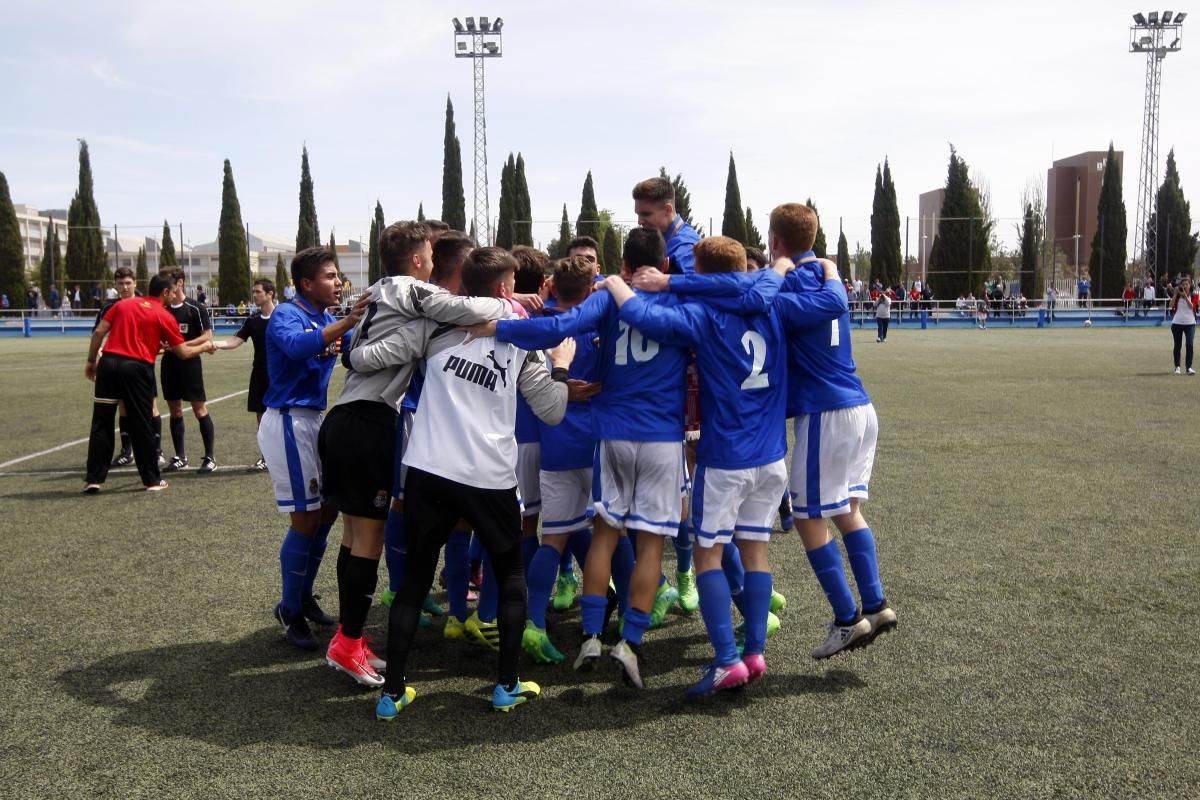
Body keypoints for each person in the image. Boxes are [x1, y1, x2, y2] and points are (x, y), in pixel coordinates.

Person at [479, 228, 781, 688]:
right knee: (650, 544)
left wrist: (496, 326)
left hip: (611, 434)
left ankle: (593, 636)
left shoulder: (606, 297)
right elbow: (741, 293)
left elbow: (557, 326)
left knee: (603, 535)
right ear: (666, 263)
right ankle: (631, 642)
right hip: (662, 439)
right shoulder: (686, 304)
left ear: (622, 265)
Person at [608, 236, 848, 697]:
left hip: (724, 457)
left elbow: (641, 316)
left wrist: (615, 284)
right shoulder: (777, 305)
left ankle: (725, 661)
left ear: (701, 270)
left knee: (706, 555)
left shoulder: (703, 315)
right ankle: (754, 652)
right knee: (756, 551)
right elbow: (829, 304)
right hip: (771, 455)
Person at [372, 247, 575, 718]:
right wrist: (561, 363)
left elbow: (377, 357)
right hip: (488, 475)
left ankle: (393, 692)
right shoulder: (524, 341)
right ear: (506, 289)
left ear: (464, 281)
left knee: (415, 582)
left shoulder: (440, 327)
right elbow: (553, 409)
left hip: (428, 469)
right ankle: (505, 684)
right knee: (509, 575)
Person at [319, 221, 509, 688]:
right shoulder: (410, 293)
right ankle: (347, 644)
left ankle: (351, 639)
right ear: (420, 260)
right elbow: (463, 307)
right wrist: (507, 304)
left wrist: (356, 354)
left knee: (353, 537)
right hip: (366, 422)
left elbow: (358, 351)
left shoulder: (382, 291)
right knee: (368, 540)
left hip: (347, 420)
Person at [258, 246, 369, 651]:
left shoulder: (325, 317)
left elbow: (356, 338)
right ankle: (289, 609)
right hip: (288, 420)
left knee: (326, 512)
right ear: (306, 284)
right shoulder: (288, 314)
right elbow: (296, 347)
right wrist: (345, 324)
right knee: (305, 521)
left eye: (338, 276)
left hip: (311, 420)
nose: (338, 282)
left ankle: (302, 596)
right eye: (330, 276)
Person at [521, 255, 602, 664]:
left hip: (553, 440)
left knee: (552, 537)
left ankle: (534, 622)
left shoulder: (539, 326)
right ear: (591, 288)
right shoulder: (599, 321)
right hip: (598, 442)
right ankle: (608, 622)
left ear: (552, 286)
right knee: (609, 533)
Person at [83, 274, 214, 493]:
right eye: (173, 292)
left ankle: (94, 479)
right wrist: (205, 346)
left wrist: (90, 361)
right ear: (164, 293)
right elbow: (183, 352)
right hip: (136, 368)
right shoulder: (163, 315)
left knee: (101, 422)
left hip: (108, 364)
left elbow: (98, 332)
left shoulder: (123, 306)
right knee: (141, 423)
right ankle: (152, 480)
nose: (174, 296)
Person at [98, 267, 164, 467]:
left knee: (150, 406)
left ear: (135, 283)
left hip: (141, 365)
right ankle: (127, 451)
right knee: (123, 407)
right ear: (115, 285)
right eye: (120, 284)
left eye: (128, 283)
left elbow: (160, 337)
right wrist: (100, 353)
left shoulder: (147, 304)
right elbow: (99, 334)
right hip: (117, 366)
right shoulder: (108, 308)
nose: (125, 287)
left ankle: (157, 450)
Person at [157, 268, 217, 474]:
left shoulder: (195, 307)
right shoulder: (161, 309)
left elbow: (207, 336)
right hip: (169, 364)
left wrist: (181, 345)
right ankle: (180, 456)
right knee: (174, 410)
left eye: (169, 282)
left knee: (199, 409)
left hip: (190, 364)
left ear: (180, 283)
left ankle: (210, 457)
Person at [212, 278, 276, 470]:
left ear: (270, 294)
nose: (255, 295)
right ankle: (265, 457)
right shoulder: (253, 320)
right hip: (259, 373)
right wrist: (216, 344)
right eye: (254, 292)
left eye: (258, 292)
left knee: (282, 416)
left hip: (280, 374)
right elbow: (235, 341)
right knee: (261, 417)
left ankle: (282, 456)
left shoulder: (283, 316)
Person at [632, 175, 700, 274]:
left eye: (646, 214)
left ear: (668, 210)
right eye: (638, 215)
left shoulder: (686, 247)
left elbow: (699, 284)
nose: (640, 221)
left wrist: (665, 282)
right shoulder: (664, 241)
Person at [1169, 276, 1198, 375]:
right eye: (1183, 284)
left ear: (1190, 285)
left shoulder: (1194, 295)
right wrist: (1175, 294)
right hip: (1177, 323)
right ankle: (1177, 367)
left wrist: (1185, 296)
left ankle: (1188, 367)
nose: (1185, 286)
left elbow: (1192, 307)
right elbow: (1170, 305)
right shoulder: (1177, 295)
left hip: (1190, 324)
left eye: (1187, 284)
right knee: (1177, 345)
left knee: (1189, 345)